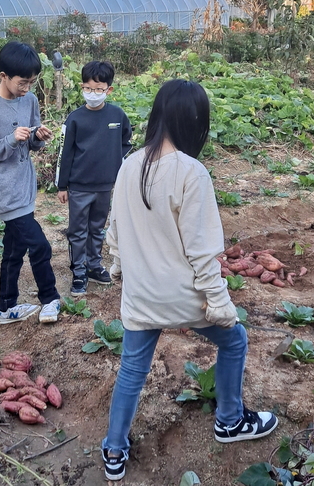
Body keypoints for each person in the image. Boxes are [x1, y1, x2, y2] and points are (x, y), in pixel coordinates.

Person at [101, 79, 278, 481]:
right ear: (195, 121)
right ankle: (230, 420)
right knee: (234, 340)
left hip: (141, 296)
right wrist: (220, 303)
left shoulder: (131, 164)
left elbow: (115, 229)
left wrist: (117, 264)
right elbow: (202, 253)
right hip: (183, 296)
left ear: (158, 114)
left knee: (132, 370)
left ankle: (114, 450)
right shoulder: (191, 171)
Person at [0, 40, 61, 325]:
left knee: (14, 249)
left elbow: (31, 143)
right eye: (22, 82)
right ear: (3, 77)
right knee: (40, 246)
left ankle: (6, 308)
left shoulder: (30, 100)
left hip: (25, 186)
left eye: (32, 82)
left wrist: (38, 137)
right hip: (5, 191)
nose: (27, 88)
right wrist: (10, 140)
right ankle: (49, 299)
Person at [55, 60, 131, 296]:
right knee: (78, 230)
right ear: (82, 87)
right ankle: (78, 271)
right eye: (88, 88)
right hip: (79, 186)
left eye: (99, 89)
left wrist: (114, 163)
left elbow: (126, 142)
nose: (93, 94)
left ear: (109, 90)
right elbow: (64, 153)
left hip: (105, 186)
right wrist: (62, 185)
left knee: (97, 228)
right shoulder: (75, 118)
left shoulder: (117, 115)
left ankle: (94, 266)